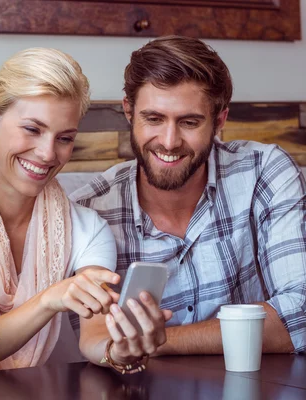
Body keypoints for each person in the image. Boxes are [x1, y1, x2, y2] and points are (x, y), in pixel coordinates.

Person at [0, 47, 171, 372]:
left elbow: (95, 337)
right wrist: (49, 299)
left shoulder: (88, 228)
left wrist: (119, 350)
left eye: (64, 138)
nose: (47, 153)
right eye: (32, 129)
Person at [71, 35, 306, 356]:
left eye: (189, 122)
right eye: (153, 119)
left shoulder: (264, 172)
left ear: (220, 120)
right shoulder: (90, 211)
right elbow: (98, 343)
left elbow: (301, 311)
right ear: (129, 111)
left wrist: (159, 343)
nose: (169, 141)